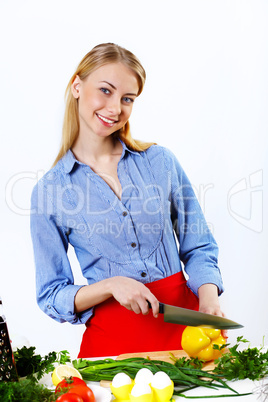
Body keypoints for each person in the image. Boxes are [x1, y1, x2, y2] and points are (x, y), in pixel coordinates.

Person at [30, 43, 225, 358]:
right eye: (105, 91)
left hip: (190, 337)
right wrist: (111, 285)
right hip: (113, 349)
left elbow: (200, 246)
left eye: (127, 99)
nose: (115, 108)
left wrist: (209, 301)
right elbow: (52, 294)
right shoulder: (50, 193)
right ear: (77, 86)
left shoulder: (160, 162)